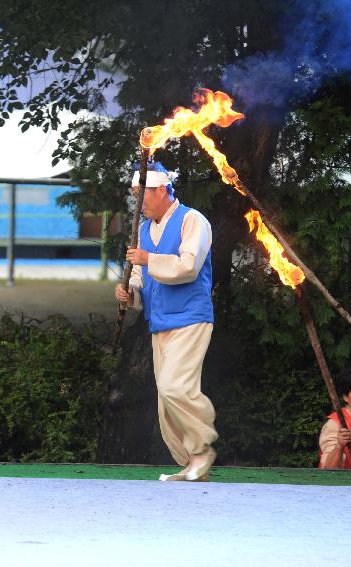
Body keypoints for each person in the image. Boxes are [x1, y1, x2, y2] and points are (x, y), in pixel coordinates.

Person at [114, 162, 218, 482]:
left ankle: (202, 451)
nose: (137, 202)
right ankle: (190, 465)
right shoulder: (145, 230)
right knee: (166, 399)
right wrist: (128, 293)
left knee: (176, 386)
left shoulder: (192, 220)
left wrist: (147, 260)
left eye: (141, 194)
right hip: (159, 322)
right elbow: (140, 280)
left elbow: (188, 267)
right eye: (133, 195)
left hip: (190, 317)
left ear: (162, 190)